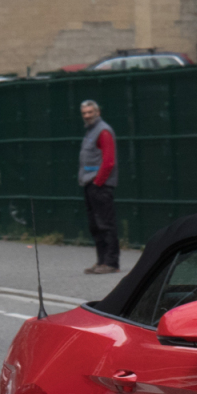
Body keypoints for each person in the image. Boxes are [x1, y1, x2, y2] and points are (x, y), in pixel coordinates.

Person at [78, 100, 120, 274]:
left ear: (98, 112)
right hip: (89, 183)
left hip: (99, 185)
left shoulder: (103, 131)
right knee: (95, 224)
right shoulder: (90, 132)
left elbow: (109, 161)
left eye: (90, 112)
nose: (87, 115)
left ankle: (111, 262)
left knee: (105, 224)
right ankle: (101, 261)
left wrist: (98, 182)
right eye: (84, 113)